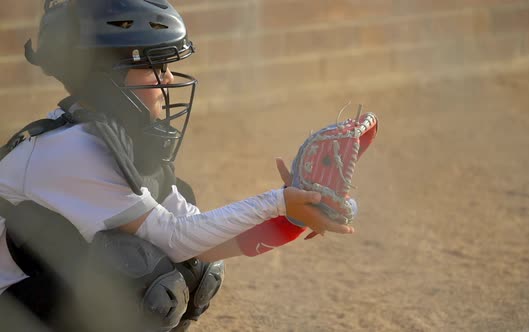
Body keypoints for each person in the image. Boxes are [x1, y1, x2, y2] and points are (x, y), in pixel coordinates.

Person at [0, 0, 354, 331]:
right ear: (105, 75)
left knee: (198, 271)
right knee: (138, 275)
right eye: (154, 65)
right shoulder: (71, 148)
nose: (167, 78)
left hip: (34, 293)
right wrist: (277, 201)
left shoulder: (109, 136)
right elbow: (173, 238)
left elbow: (196, 241)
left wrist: (291, 218)